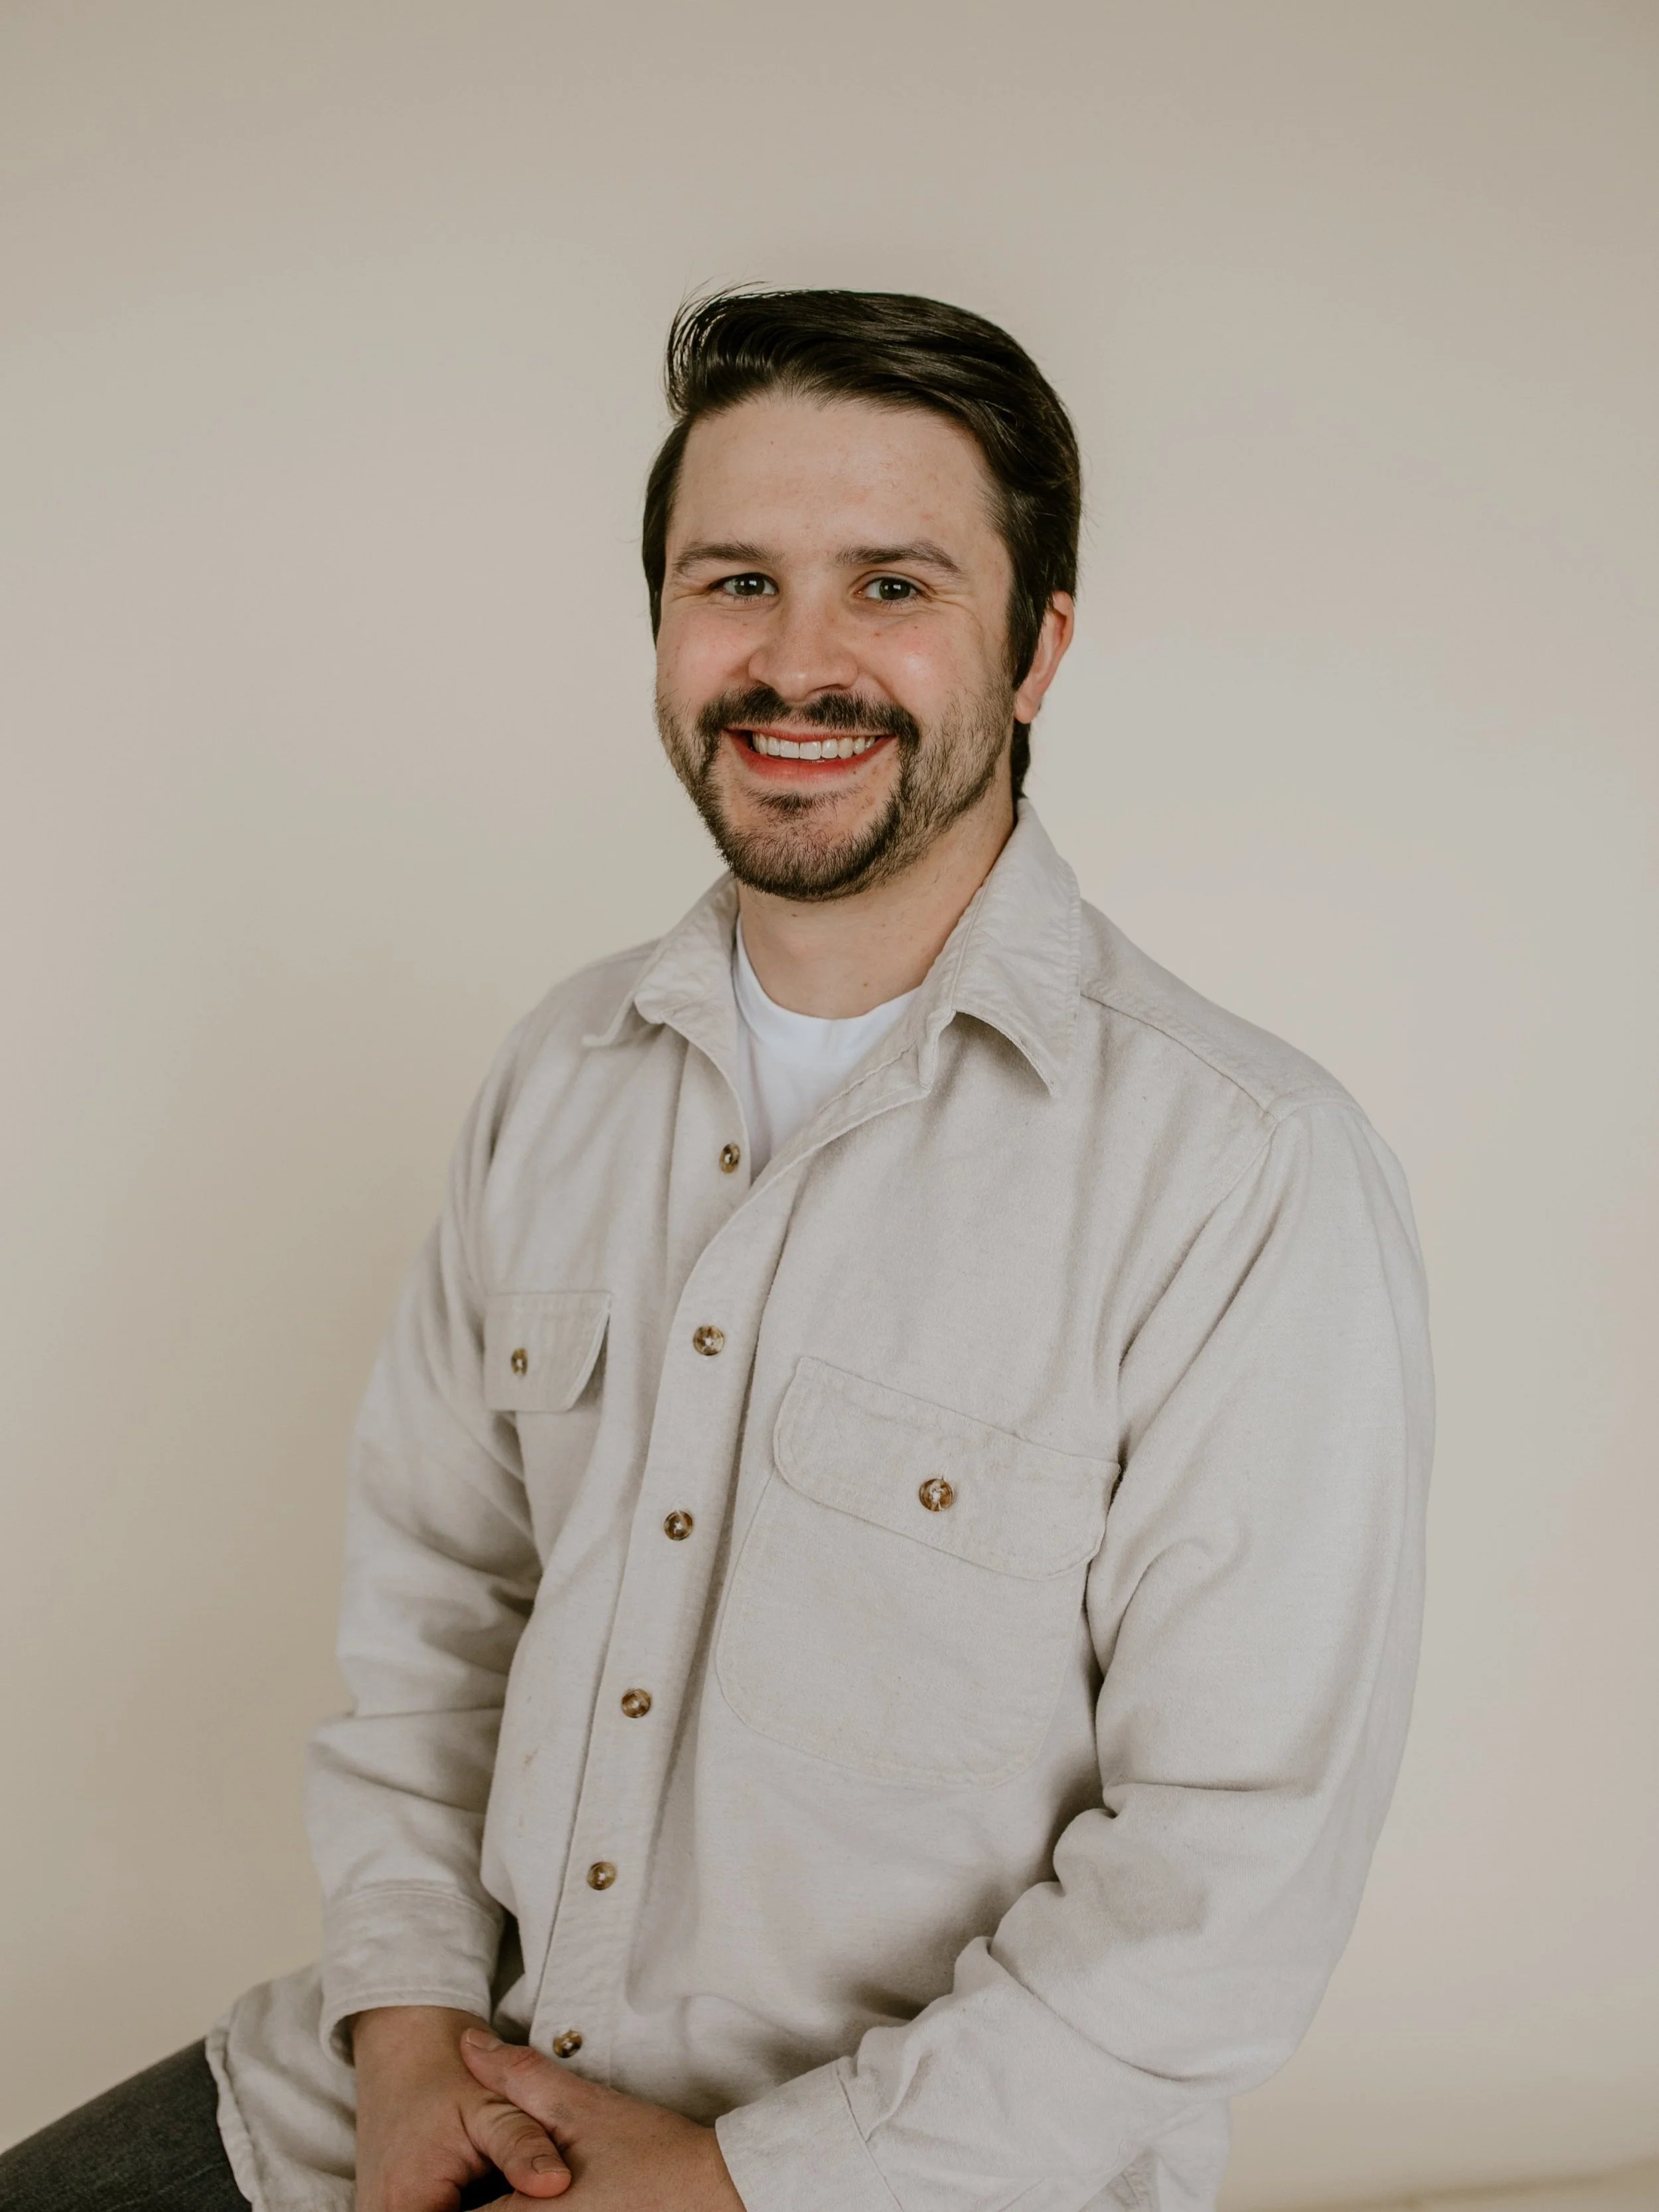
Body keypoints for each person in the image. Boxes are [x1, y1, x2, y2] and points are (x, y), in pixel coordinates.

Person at [1, 289, 1433, 2212]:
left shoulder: (1245, 1171)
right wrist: (413, 2029)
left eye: (894, 586)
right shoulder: (559, 1075)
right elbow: (437, 1613)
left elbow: (1227, 1878)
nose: (798, 661)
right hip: (426, 2083)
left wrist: (738, 2183)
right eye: (734, 580)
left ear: (1038, 649)